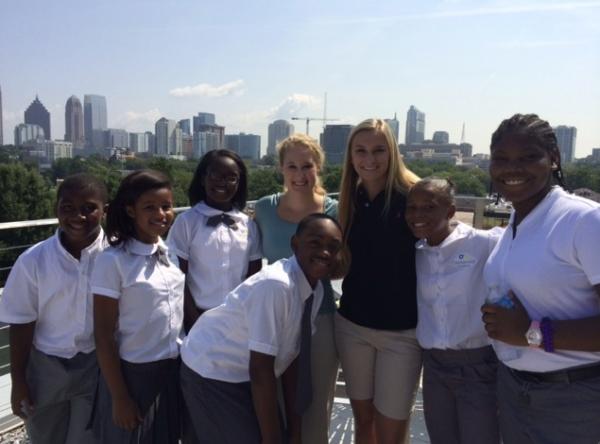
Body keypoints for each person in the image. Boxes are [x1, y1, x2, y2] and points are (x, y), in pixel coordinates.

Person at [481, 113, 600, 444]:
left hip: (575, 398)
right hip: (515, 390)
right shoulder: (514, 227)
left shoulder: (583, 221)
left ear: (554, 159)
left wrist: (532, 333)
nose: (512, 168)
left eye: (528, 157)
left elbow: (526, 329)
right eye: (501, 159)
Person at [179, 214, 344, 444]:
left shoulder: (315, 291)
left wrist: (294, 431)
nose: (325, 252)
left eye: (333, 247)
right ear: (295, 244)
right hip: (212, 371)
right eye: (315, 243)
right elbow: (260, 369)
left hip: (245, 373)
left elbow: (291, 357)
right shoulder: (277, 286)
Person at [0, 173, 108, 444]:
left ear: (104, 211)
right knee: (45, 435)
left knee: (87, 438)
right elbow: (22, 323)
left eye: (89, 208)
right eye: (67, 207)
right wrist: (19, 381)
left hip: (96, 365)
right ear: (56, 209)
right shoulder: (34, 260)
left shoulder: (116, 256)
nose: (78, 216)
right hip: (45, 367)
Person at [336, 118, 422, 444]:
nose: (369, 159)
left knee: (392, 431)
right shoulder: (350, 198)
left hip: (402, 332)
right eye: (360, 151)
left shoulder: (412, 196)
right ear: (350, 156)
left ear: (392, 152)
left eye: (378, 150)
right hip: (353, 326)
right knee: (364, 424)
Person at [254, 134, 338, 444]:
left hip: (321, 318)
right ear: (281, 169)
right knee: (273, 400)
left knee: (316, 406)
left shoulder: (334, 210)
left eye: (307, 166)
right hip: (274, 318)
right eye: (292, 166)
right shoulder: (264, 210)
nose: (300, 175)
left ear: (318, 168)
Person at [406, 177, 501, 444]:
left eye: (428, 207)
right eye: (412, 207)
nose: (417, 215)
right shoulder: (415, 252)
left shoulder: (483, 244)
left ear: (449, 210)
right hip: (434, 368)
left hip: (479, 366)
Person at [91, 170, 184, 443]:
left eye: (166, 206)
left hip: (172, 371)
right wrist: (120, 397)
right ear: (131, 211)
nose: (161, 214)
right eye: (150, 207)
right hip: (133, 376)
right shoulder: (113, 261)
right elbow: (103, 335)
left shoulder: (171, 254)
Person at [168, 149, 262, 332]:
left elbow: (253, 275)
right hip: (197, 317)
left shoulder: (248, 225)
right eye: (215, 175)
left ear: (239, 183)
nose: (222, 182)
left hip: (238, 319)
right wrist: (193, 319)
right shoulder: (187, 222)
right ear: (203, 179)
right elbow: (178, 276)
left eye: (231, 177)